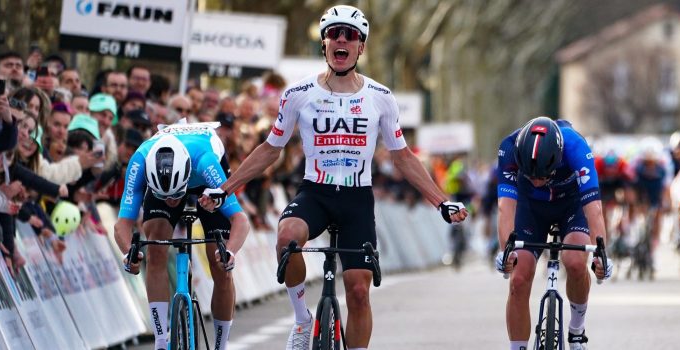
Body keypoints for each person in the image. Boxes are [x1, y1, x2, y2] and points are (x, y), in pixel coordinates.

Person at [217, 5, 467, 350]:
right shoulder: (297, 94)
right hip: (315, 193)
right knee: (287, 237)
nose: (341, 40)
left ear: (361, 47)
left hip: (356, 199)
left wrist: (442, 201)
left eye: (350, 35)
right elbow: (270, 149)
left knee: (360, 292)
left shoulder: (381, 98)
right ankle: (303, 320)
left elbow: (403, 157)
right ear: (324, 43)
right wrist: (224, 187)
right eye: (334, 33)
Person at [113, 121, 250, 350]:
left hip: (203, 178)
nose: (171, 202)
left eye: (176, 196)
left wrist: (230, 252)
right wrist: (129, 253)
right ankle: (160, 340)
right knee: (155, 249)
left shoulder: (206, 161)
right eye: (165, 197)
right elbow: (122, 224)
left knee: (221, 264)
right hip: (166, 173)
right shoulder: (139, 161)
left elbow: (240, 220)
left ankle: (221, 344)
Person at [494, 116, 613, 350]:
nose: (537, 182)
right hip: (531, 208)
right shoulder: (508, 148)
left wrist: (601, 255)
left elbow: (594, 210)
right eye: (530, 176)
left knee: (576, 262)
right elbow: (505, 208)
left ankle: (577, 331)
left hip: (571, 204)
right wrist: (505, 251)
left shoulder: (576, 148)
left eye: (543, 176)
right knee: (518, 278)